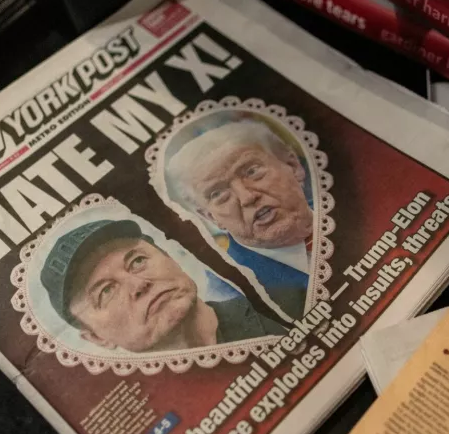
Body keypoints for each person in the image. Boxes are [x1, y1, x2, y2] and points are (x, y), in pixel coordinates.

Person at [39, 218, 287, 353]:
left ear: (170, 258)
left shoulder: (286, 306)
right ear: (96, 337)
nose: (139, 284)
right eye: (106, 291)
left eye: (137, 261)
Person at [166, 119, 313, 319]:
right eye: (218, 194)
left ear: (293, 165)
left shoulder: (345, 198)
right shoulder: (228, 293)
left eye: (251, 171)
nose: (247, 197)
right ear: (210, 217)